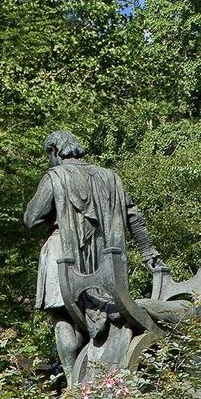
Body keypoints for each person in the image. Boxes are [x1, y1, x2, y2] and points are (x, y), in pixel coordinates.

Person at [24, 131, 163, 383]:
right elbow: (134, 217)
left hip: (62, 255)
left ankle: (73, 388)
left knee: (63, 318)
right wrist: (149, 254)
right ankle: (103, 379)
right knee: (105, 313)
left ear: (55, 152)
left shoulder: (54, 177)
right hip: (104, 258)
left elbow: (31, 219)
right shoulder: (110, 177)